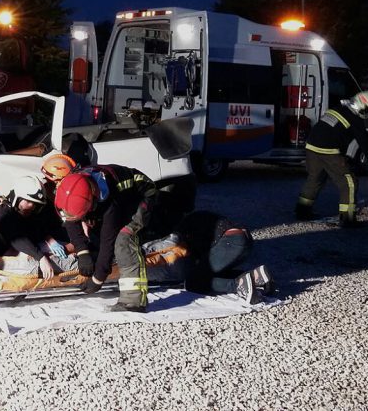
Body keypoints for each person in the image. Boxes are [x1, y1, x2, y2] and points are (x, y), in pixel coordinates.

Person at [54, 165, 158, 312]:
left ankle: (133, 301)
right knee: (94, 233)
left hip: (141, 193)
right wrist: (82, 252)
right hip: (113, 199)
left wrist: (98, 278)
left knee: (123, 240)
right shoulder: (70, 189)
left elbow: (107, 241)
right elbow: (71, 221)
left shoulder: (110, 203)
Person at [145, 210, 273, 304]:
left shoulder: (183, 227)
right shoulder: (196, 218)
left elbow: (173, 247)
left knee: (194, 282)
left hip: (230, 242)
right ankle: (256, 276)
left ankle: (238, 285)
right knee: (209, 272)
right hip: (245, 239)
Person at [0, 176, 68, 279]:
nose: (31, 206)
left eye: (35, 203)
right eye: (28, 201)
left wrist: (49, 239)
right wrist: (41, 258)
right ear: (17, 198)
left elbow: (35, 228)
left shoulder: (26, 213)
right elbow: (17, 238)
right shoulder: (3, 214)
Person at [295, 91, 368, 227]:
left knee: (315, 178)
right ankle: (347, 219)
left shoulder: (338, 109)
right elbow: (364, 143)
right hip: (328, 150)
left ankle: (302, 210)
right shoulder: (355, 119)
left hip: (311, 147)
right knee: (349, 182)